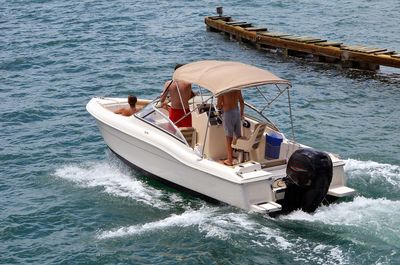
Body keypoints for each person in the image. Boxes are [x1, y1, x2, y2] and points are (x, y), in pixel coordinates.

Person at [217, 90, 244, 166]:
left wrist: (220, 105)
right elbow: (242, 102)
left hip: (228, 113)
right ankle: (240, 157)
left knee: (229, 138)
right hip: (236, 112)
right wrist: (241, 115)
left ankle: (229, 160)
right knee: (238, 136)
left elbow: (219, 106)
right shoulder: (237, 89)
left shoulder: (222, 90)